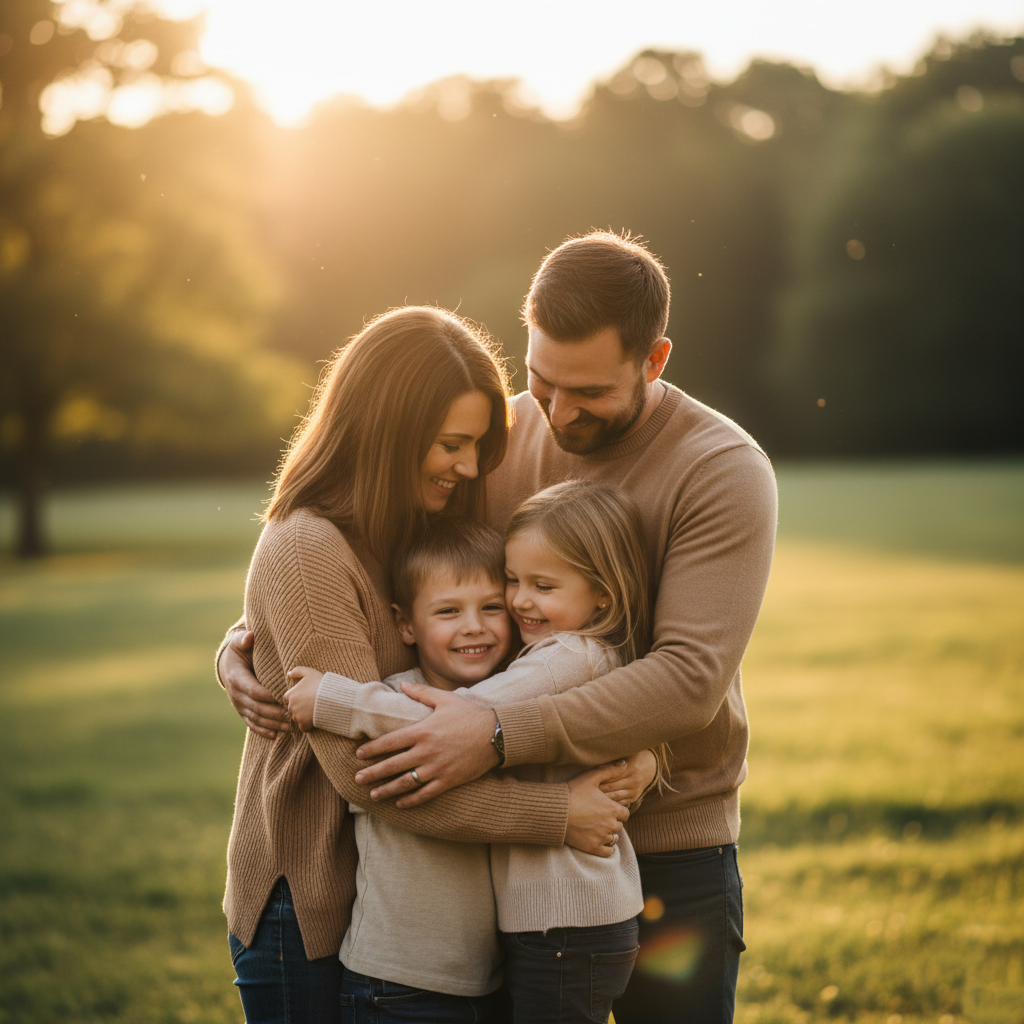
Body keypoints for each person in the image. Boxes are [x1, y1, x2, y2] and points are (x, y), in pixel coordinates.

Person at [220, 232, 778, 1023]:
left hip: (668, 837)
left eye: (587, 392)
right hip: (513, 862)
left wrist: (492, 731)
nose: (558, 411)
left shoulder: (719, 468)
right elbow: (394, 581)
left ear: (653, 361)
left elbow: (689, 676)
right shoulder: (498, 441)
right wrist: (245, 645)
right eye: (543, 382)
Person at [221, 305, 633, 1024]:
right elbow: (373, 772)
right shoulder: (307, 546)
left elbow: (544, 656)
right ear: (389, 430)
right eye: (451, 444)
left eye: (476, 444)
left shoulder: (424, 531)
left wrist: (645, 752)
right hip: (314, 903)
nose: (470, 467)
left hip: (422, 915)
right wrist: (557, 813)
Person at [286, 482, 667, 1022]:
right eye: (513, 582)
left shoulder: (562, 657)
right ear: (405, 622)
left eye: (541, 586)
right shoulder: (559, 657)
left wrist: (333, 698)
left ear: (602, 592)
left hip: (565, 923)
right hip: (445, 963)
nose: (519, 602)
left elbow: (453, 726)